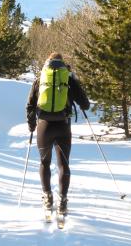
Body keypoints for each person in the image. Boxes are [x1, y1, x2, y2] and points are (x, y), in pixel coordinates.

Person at [26, 52, 90, 215]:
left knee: (44, 163)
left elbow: (30, 106)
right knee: (63, 164)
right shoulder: (67, 78)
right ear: (62, 64)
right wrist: (74, 85)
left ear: (47, 62)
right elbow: (85, 104)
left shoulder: (40, 79)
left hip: (44, 127)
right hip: (63, 126)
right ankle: (62, 201)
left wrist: (32, 125)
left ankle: (47, 198)